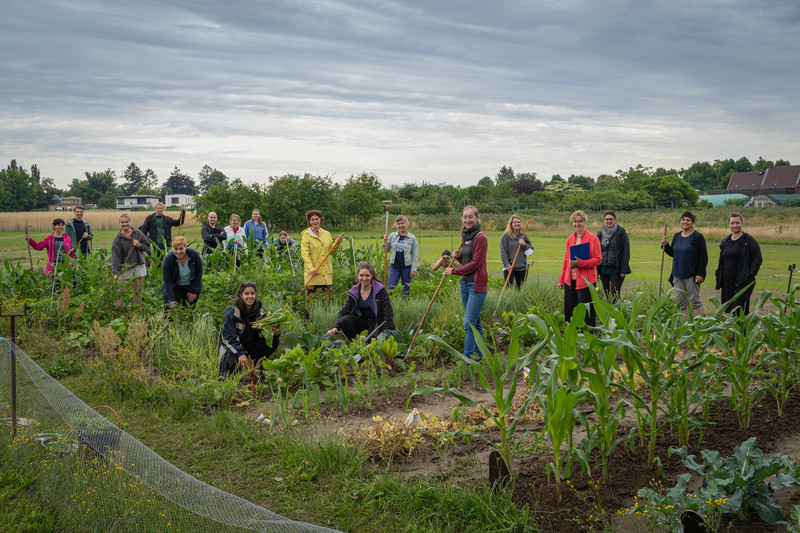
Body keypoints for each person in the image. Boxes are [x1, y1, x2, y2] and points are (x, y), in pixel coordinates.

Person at [444, 206, 488, 360]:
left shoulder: (481, 237)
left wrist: (454, 271)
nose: (467, 220)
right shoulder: (465, 237)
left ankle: (467, 358)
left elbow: (476, 263)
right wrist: (458, 258)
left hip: (477, 285)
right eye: (465, 217)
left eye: (471, 217)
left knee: (468, 324)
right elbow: (467, 261)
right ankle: (480, 355)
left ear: (477, 218)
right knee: (475, 323)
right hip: (465, 284)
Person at [218, 281, 281, 377]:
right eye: (246, 293)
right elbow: (228, 338)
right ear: (241, 295)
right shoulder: (232, 313)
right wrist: (240, 353)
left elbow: (263, 334)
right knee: (232, 367)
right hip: (232, 349)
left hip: (249, 347)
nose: (250, 296)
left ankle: (258, 364)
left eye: (252, 293)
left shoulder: (259, 312)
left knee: (274, 341)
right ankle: (230, 366)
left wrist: (275, 334)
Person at [327, 262, 395, 339]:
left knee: (371, 345)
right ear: (357, 276)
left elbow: (388, 313)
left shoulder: (380, 290)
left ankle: (367, 344)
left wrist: (385, 333)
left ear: (371, 276)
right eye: (361, 275)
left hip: (377, 323)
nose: (364, 278)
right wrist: (336, 327)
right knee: (345, 320)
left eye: (367, 275)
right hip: (363, 322)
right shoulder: (354, 291)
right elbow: (344, 310)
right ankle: (357, 344)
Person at [558, 210, 602, 327]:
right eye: (574, 221)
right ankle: (573, 336)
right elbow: (566, 260)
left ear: (585, 222)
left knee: (586, 312)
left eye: (580, 221)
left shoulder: (593, 239)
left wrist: (580, 263)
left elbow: (598, 259)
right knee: (570, 311)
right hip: (570, 281)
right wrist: (562, 279)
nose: (577, 224)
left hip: (585, 281)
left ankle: (588, 337)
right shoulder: (570, 239)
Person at [661, 211, 708, 318]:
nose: (685, 222)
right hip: (677, 274)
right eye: (683, 219)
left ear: (692, 223)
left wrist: (700, 274)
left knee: (694, 301)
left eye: (688, 220)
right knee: (680, 302)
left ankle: (697, 325)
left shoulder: (697, 237)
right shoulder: (677, 236)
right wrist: (665, 245)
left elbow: (703, 257)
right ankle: (684, 327)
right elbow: (673, 253)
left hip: (691, 274)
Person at [714, 212, 762, 315]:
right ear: (729, 224)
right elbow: (722, 260)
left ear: (742, 223)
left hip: (742, 281)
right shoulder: (725, 241)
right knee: (730, 308)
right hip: (727, 281)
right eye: (732, 223)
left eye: (737, 223)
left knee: (739, 309)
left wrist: (750, 273)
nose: (735, 225)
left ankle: (741, 331)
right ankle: (734, 331)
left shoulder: (748, 240)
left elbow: (758, 257)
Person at [301, 210, 342, 296]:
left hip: (326, 274)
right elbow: (305, 254)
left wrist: (337, 243)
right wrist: (311, 268)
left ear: (320, 220)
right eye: (312, 220)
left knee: (327, 302)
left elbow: (331, 251)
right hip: (313, 274)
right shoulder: (306, 235)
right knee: (312, 302)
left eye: (317, 219)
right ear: (309, 221)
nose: (315, 221)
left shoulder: (327, 234)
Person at [111, 213, 150, 304]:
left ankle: (137, 311)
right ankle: (118, 311)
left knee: (137, 291)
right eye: (122, 222)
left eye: (127, 222)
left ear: (130, 222)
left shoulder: (138, 234)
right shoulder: (118, 239)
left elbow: (147, 247)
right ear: (119, 224)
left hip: (138, 264)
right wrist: (116, 273)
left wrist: (139, 245)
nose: (125, 224)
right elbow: (115, 257)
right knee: (121, 291)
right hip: (125, 267)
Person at [596, 211, 631, 300]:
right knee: (607, 294)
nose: (609, 221)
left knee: (614, 294)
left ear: (615, 220)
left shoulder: (621, 234)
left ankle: (617, 312)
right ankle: (608, 313)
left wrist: (624, 270)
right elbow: (596, 251)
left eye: (611, 219)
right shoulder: (600, 234)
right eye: (607, 219)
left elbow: (625, 253)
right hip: (603, 269)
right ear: (604, 220)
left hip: (616, 270)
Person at [162, 236, 203, 308]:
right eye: (176, 249)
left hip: (190, 285)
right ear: (173, 249)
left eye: (181, 249)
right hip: (174, 286)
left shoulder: (194, 255)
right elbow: (167, 281)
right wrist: (171, 299)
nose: (178, 252)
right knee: (169, 309)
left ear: (185, 247)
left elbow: (198, 274)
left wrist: (194, 290)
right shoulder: (168, 259)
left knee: (189, 309)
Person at [385, 215, 419, 295]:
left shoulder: (412, 238)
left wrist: (413, 269)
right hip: (394, 267)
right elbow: (385, 250)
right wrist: (385, 241)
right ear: (396, 225)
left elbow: (414, 254)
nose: (401, 225)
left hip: (407, 267)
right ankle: (389, 305)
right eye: (398, 224)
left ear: (406, 224)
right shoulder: (392, 236)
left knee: (406, 290)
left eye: (402, 223)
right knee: (390, 288)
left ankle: (405, 305)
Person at [500, 215, 533, 290]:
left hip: (521, 268)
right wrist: (507, 264)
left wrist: (524, 244)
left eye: (518, 222)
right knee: (509, 289)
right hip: (509, 268)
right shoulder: (505, 236)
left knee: (519, 289)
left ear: (521, 223)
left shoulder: (524, 236)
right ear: (511, 224)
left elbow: (530, 252)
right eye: (514, 222)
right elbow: (503, 252)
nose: (516, 224)